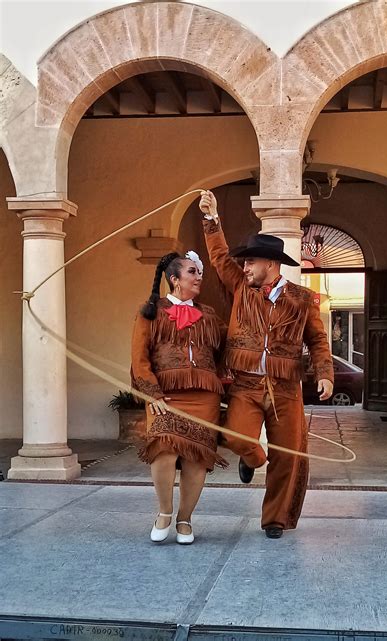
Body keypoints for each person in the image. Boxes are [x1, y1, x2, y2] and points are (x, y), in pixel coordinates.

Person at [199, 190, 334, 539]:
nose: (244, 268)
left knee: (288, 456)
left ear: (271, 265)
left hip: (286, 388)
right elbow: (219, 259)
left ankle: (274, 519)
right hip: (245, 384)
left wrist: (325, 373)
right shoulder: (241, 288)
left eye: (250, 262)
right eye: (244, 263)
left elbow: (318, 340)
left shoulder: (303, 300)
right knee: (236, 437)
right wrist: (212, 220)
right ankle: (252, 458)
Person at [131, 250, 227, 545]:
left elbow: (227, 351)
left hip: (204, 399)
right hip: (165, 398)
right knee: (163, 451)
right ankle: (164, 512)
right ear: (174, 280)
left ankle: (185, 519)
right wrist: (152, 395)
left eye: (199, 273)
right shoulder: (149, 312)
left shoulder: (209, 315)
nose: (199, 277)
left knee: (197, 459)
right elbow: (139, 359)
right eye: (192, 272)